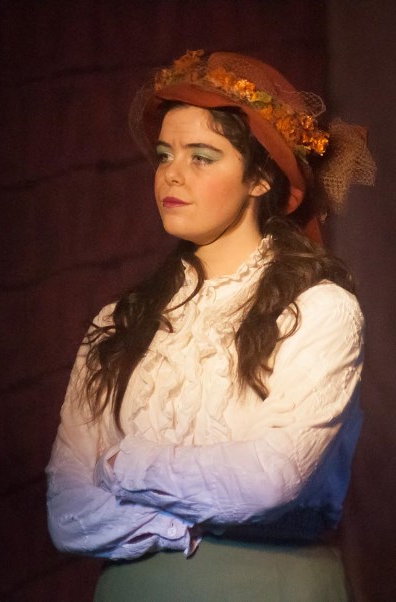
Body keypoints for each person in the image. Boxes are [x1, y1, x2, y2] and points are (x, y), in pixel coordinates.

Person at [46, 50, 375, 600]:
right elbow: (68, 514)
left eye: (202, 156)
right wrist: (182, 525)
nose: (171, 173)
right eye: (164, 154)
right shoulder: (120, 321)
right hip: (133, 589)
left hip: (270, 587)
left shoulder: (318, 310)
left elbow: (270, 481)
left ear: (261, 177)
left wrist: (121, 464)